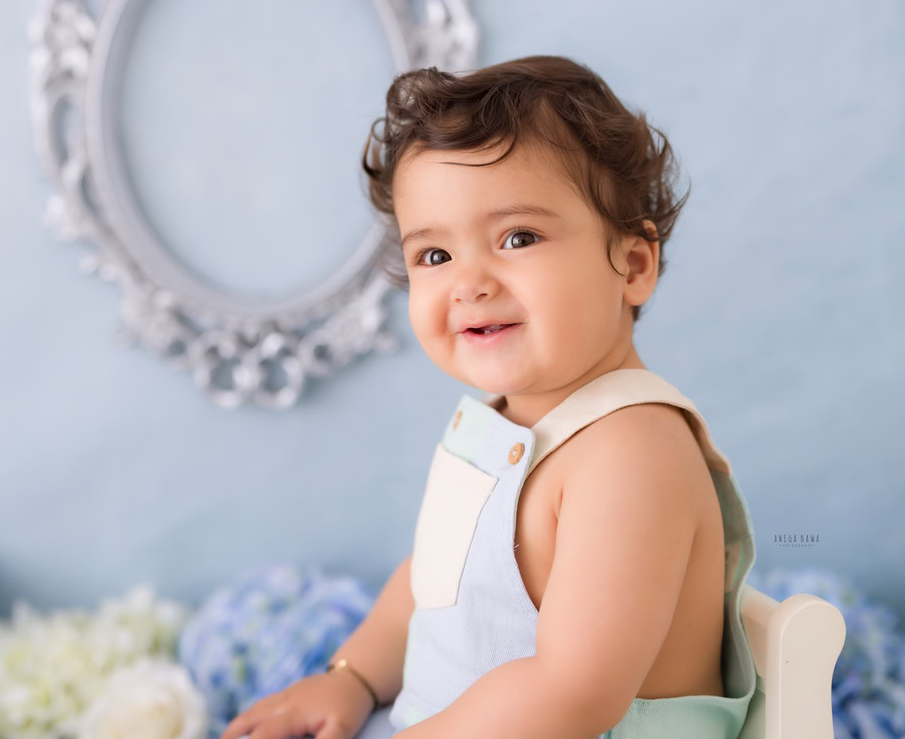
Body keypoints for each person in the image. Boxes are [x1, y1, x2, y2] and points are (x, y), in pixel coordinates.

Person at [220, 55, 759, 739]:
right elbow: (435, 583)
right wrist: (349, 680)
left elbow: (572, 693)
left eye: (519, 238)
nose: (468, 282)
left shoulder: (632, 451)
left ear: (632, 265)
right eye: (435, 256)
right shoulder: (499, 429)